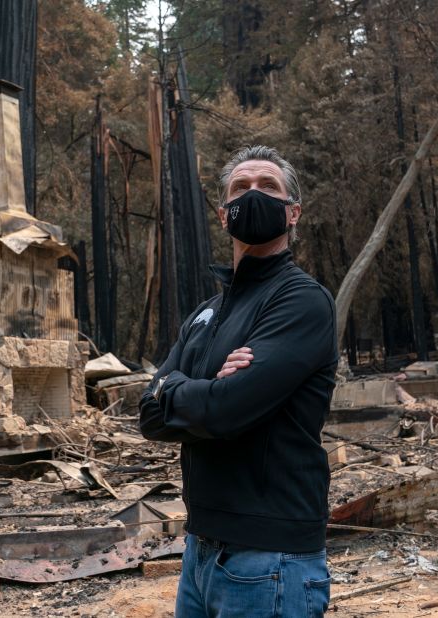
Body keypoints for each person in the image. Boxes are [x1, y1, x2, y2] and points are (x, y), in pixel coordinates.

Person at [139, 145, 338, 617]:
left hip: (271, 560)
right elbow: (148, 414)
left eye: (268, 187)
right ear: (225, 216)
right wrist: (199, 389)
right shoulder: (207, 312)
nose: (253, 195)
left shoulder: (302, 301)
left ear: (293, 213)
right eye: (240, 189)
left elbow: (227, 410)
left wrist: (178, 387)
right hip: (199, 553)